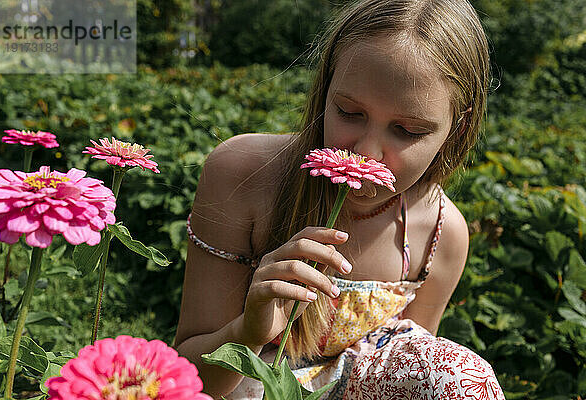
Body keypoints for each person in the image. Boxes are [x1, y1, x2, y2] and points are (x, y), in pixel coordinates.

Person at [174, 0, 505, 398]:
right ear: (326, 87)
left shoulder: (440, 232)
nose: (366, 151)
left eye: (406, 130)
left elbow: (411, 374)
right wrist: (247, 332)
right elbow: (187, 378)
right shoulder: (245, 174)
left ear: (458, 125)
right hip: (244, 387)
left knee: (459, 377)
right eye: (349, 112)